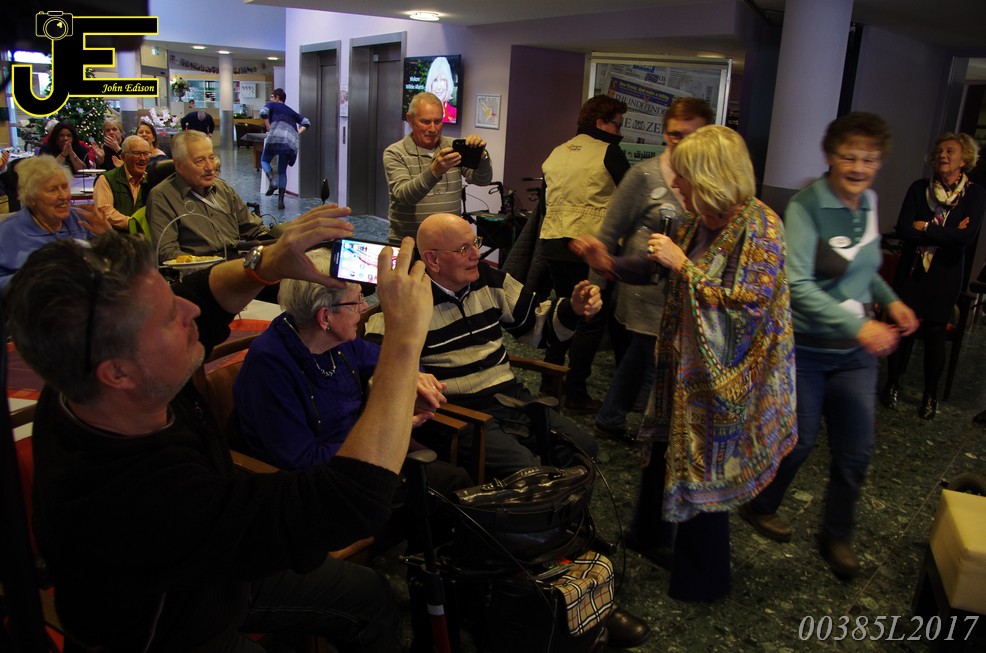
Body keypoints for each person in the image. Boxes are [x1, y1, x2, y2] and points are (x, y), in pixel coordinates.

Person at [5, 209, 434, 651]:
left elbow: (202, 296)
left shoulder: (89, 381)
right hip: (176, 629)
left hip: (212, 574)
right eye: (167, 316)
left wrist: (264, 264)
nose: (189, 310)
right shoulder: (142, 496)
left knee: (370, 596)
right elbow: (350, 502)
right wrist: (403, 341)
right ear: (118, 372)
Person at [573, 125, 798, 602]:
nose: (677, 184)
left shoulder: (761, 227)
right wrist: (609, 263)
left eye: (685, 176)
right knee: (661, 450)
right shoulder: (698, 220)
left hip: (726, 380)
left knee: (704, 472)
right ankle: (648, 534)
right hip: (683, 367)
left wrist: (683, 266)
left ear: (714, 177)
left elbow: (748, 308)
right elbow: (655, 268)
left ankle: (703, 581)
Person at [740, 112, 919, 580]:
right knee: (798, 441)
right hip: (807, 349)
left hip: (855, 356)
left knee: (856, 450)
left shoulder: (869, 203)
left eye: (869, 159)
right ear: (830, 156)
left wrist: (892, 302)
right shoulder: (807, 206)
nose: (859, 167)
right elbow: (797, 285)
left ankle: (836, 535)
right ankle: (761, 503)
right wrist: (859, 327)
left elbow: (866, 270)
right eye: (849, 156)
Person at [366, 213, 601, 479]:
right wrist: (408, 374)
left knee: (584, 449)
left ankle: (561, 505)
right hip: (459, 413)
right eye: (464, 249)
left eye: (475, 243)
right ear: (433, 260)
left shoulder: (488, 279)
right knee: (528, 475)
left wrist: (573, 308)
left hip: (510, 398)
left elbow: (536, 325)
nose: (476, 254)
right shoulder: (409, 295)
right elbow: (373, 354)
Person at [233, 250, 449, 470]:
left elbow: (393, 360)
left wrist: (415, 376)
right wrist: (385, 434)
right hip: (323, 478)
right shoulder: (270, 366)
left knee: (452, 478)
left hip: (365, 456)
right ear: (325, 317)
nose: (364, 307)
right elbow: (303, 459)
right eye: (356, 301)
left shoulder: (339, 340)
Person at [591, 97, 714, 444]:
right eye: (675, 135)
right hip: (645, 288)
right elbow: (609, 232)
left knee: (646, 361)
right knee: (649, 360)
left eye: (691, 135)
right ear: (664, 134)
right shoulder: (643, 176)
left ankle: (626, 422)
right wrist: (596, 284)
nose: (682, 143)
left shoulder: (711, 183)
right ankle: (645, 432)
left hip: (686, 290)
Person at [881, 132, 986, 419]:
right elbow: (904, 230)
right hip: (913, 270)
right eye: (939, 150)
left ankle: (930, 395)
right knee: (904, 327)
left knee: (935, 332)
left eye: (950, 151)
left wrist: (926, 227)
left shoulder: (975, 195)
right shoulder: (919, 189)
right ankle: (892, 384)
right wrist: (949, 233)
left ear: (964, 159)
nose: (942, 155)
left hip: (946, 273)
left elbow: (966, 238)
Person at [538, 94, 631, 412]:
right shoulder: (609, 152)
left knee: (563, 310)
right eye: (617, 124)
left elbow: (544, 202)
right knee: (591, 318)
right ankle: (576, 393)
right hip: (590, 247)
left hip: (553, 243)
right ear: (601, 123)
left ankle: (549, 383)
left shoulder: (557, 152)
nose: (620, 132)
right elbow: (630, 198)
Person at [383, 91, 493, 242]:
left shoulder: (453, 147)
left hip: (448, 242)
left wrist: (482, 156)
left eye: (438, 121)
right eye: (425, 122)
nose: (433, 129)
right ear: (410, 119)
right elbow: (405, 196)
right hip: (410, 243)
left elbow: (482, 180)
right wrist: (435, 171)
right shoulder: (395, 152)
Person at [146, 129, 268, 263]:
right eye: (200, 161)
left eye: (211, 158)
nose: (210, 167)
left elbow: (253, 228)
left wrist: (278, 239)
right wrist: (205, 262)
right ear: (179, 165)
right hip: (198, 269)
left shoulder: (223, 189)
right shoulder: (162, 196)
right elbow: (167, 252)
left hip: (235, 261)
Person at [0, 155, 109, 290]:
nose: (64, 196)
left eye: (64, 187)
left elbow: (110, 266)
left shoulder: (81, 219)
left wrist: (108, 237)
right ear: (31, 198)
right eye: (53, 190)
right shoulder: (8, 232)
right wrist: (36, 277)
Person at [260, 88, 311, 210]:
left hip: (275, 137)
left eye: (272, 97)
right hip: (289, 142)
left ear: (277, 98)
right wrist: (297, 133)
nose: (270, 99)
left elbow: (263, 112)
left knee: (264, 160)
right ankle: (281, 201)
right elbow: (306, 122)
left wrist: (268, 127)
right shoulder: (290, 111)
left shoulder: (272, 105)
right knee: (282, 171)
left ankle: (272, 181)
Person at [92, 135, 152, 231]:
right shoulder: (106, 179)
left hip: (145, 237)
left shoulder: (151, 180)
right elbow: (105, 212)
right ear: (123, 157)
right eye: (137, 153)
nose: (143, 158)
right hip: (116, 237)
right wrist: (133, 224)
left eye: (146, 153)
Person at [425, 56, 457, 123]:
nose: (439, 87)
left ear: (448, 83)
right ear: (430, 84)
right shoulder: (422, 112)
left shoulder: (454, 113)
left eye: (443, 80)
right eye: (435, 80)